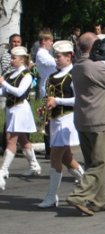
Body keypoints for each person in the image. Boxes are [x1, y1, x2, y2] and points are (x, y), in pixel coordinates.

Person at [66, 32, 105, 216]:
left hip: (83, 120)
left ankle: (100, 201)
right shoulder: (94, 66)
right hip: (100, 120)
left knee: (92, 162)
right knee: (101, 163)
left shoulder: (79, 65)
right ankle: (78, 195)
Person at [37, 40, 84, 208]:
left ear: (69, 56)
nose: (56, 59)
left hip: (68, 120)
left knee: (55, 156)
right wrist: (44, 108)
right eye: (55, 56)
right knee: (67, 158)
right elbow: (47, 96)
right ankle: (88, 185)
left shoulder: (74, 75)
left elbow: (79, 99)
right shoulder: (52, 76)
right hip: (55, 120)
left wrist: (57, 101)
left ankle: (51, 197)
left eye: (59, 57)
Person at [0, 46, 40, 191]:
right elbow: (4, 92)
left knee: (11, 139)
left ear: (22, 59)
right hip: (11, 110)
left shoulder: (27, 75)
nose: (11, 60)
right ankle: (34, 165)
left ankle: (3, 170)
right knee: (22, 139)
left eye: (13, 58)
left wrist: (3, 82)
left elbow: (19, 92)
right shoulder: (11, 74)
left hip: (20, 110)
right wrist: (2, 86)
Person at [35, 29, 57, 158]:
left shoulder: (46, 53)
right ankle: (49, 148)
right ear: (44, 41)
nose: (51, 43)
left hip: (49, 86)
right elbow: (55, 63)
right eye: (50, 40)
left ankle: (51, 146)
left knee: (50, 116)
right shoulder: (41, 54)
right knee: (47, 117)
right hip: (47, 88)